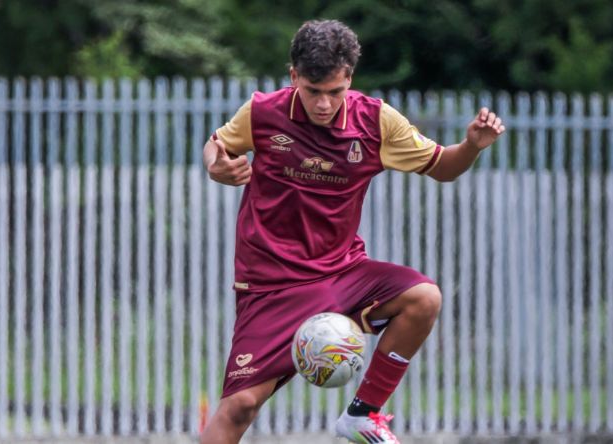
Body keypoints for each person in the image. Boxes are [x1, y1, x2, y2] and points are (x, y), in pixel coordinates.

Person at [200, 19, 505, 444]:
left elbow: (444, 168)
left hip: (341, 273)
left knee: (424, 297)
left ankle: (363, 414)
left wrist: (471, 145)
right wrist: (216, 165)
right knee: (240, 407)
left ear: (350, 79)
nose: (324, 104)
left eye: (335, 92)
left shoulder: (377, 122)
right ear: (293, 77)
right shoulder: (263, 112)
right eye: (312, 91)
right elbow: (218, 146)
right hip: (269, 283)